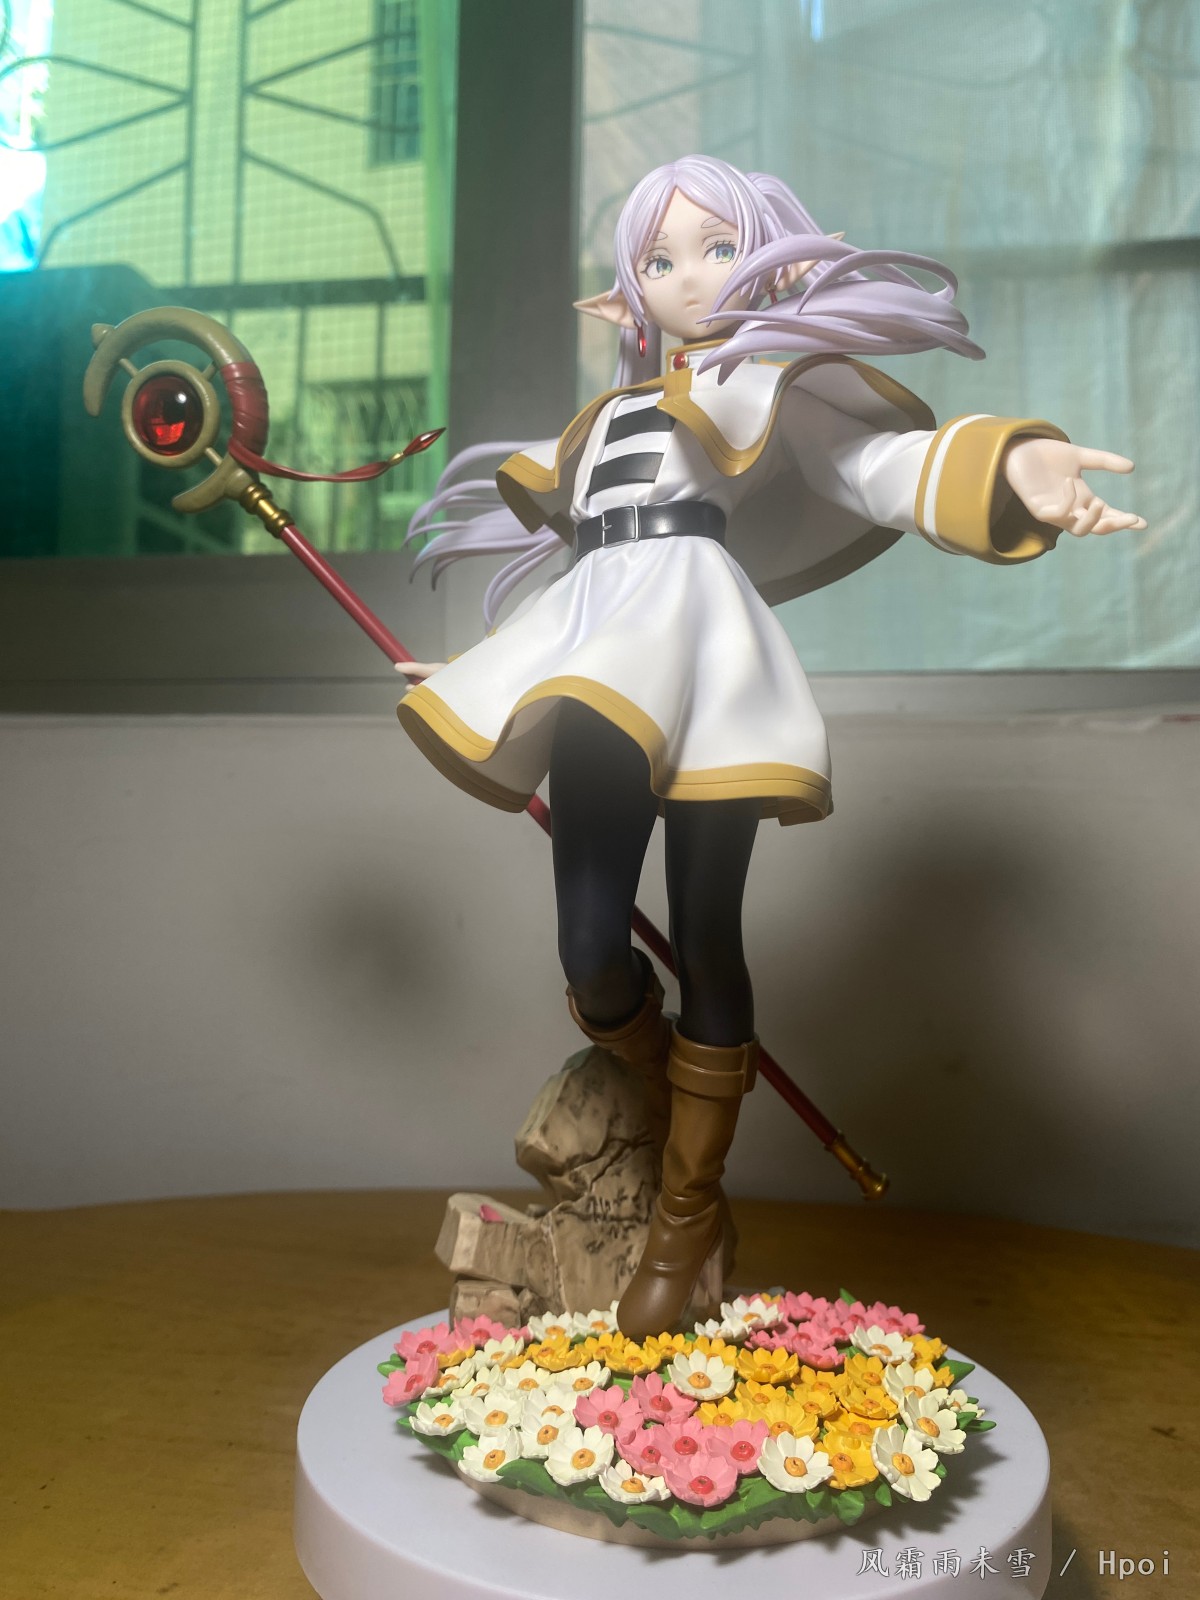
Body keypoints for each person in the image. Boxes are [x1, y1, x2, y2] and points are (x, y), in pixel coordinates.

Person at [393, 155, 1145, 1340]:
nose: (690, 276)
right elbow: (587, 576)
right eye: (660, 258)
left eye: (717, 247)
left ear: (769, 260)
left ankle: (685, 1210)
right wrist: (483, 670)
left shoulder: (771, 386)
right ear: (628, 290)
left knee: (706, 935)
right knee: (589, 947)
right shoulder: (605, 421)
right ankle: (666, 1093)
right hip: (597, 670)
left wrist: (1011, 469)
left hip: (710, 671)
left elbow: (879, 468)